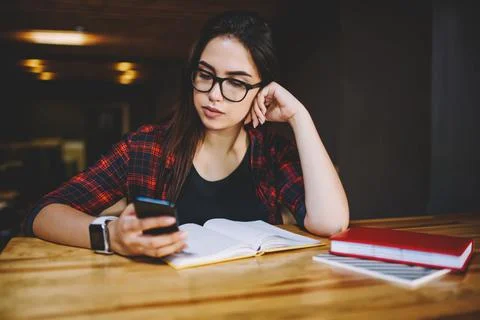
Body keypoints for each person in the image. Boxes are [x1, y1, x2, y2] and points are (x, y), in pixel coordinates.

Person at [25, 10, 349, 258]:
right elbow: (44, 213)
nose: (214, 95)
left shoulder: (271, 152)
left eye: (236, 82)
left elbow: (331, 224)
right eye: (206, 75)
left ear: (262, 90)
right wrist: (112, 237)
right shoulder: (146, 148)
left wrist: (299, 117)